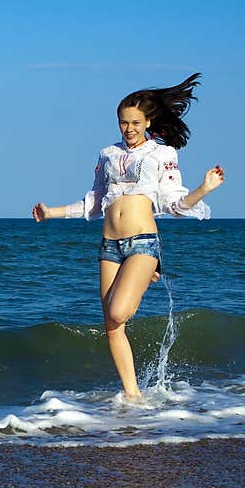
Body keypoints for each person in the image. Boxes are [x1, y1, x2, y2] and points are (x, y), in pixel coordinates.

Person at [32, 73, 225, 403]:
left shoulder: (161, 155)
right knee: (111, 325)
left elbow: (173, 203)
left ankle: (149, 271)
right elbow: (93, 201)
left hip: (142, 241)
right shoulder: (107, 154)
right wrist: (52, 212)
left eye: (136, 122)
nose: (130, 128)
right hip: (109, 246)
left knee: (119, 312)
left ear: (148, 121)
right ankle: (132, 395)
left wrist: (203, 189)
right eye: (124, 122)